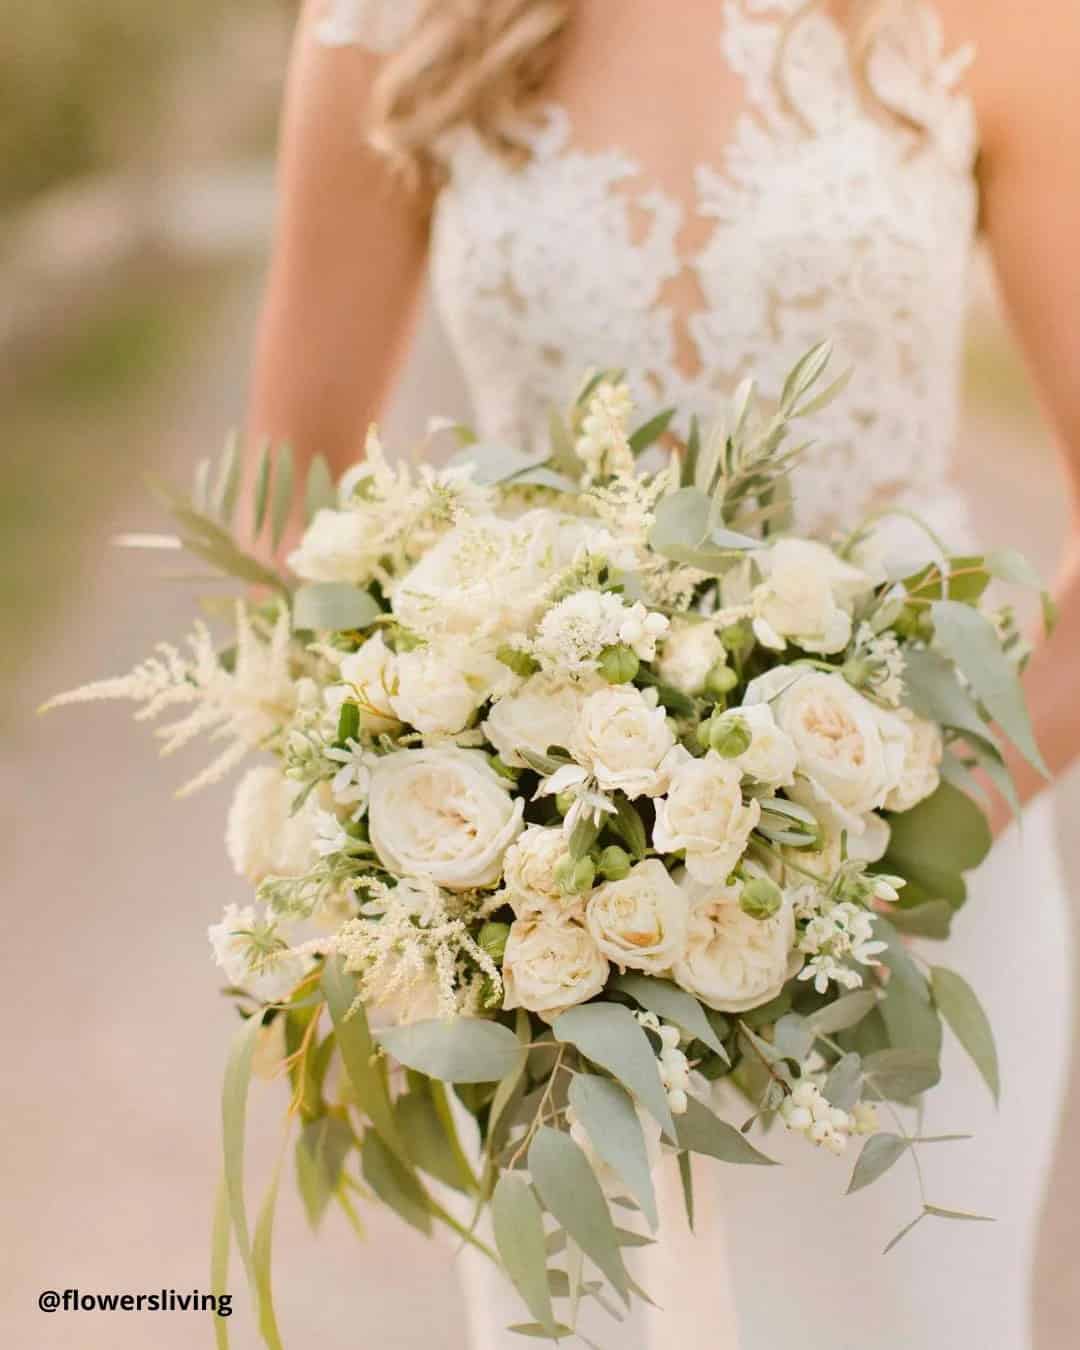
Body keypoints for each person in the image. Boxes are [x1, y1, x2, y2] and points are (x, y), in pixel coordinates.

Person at [245, 2, 1080, 1345]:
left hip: (917, 880)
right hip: (542, 919)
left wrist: (915, 829)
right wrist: (434, 810)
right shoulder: (394, 19)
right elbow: (290, 498)